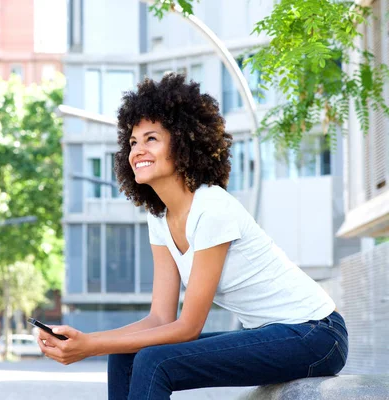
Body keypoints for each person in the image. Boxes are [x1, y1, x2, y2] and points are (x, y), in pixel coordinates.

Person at [36, 73, 348, 400]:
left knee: (156, 361)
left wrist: (90, 348)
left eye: (151, 139)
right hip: (274, 334)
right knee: (125, 356)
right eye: (132, 142)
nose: (137, 150)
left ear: (183, 141)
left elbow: (188, 328)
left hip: (317, 335)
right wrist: (85, 339)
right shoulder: (159, 217)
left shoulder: (212, 207)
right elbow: (160, 318)